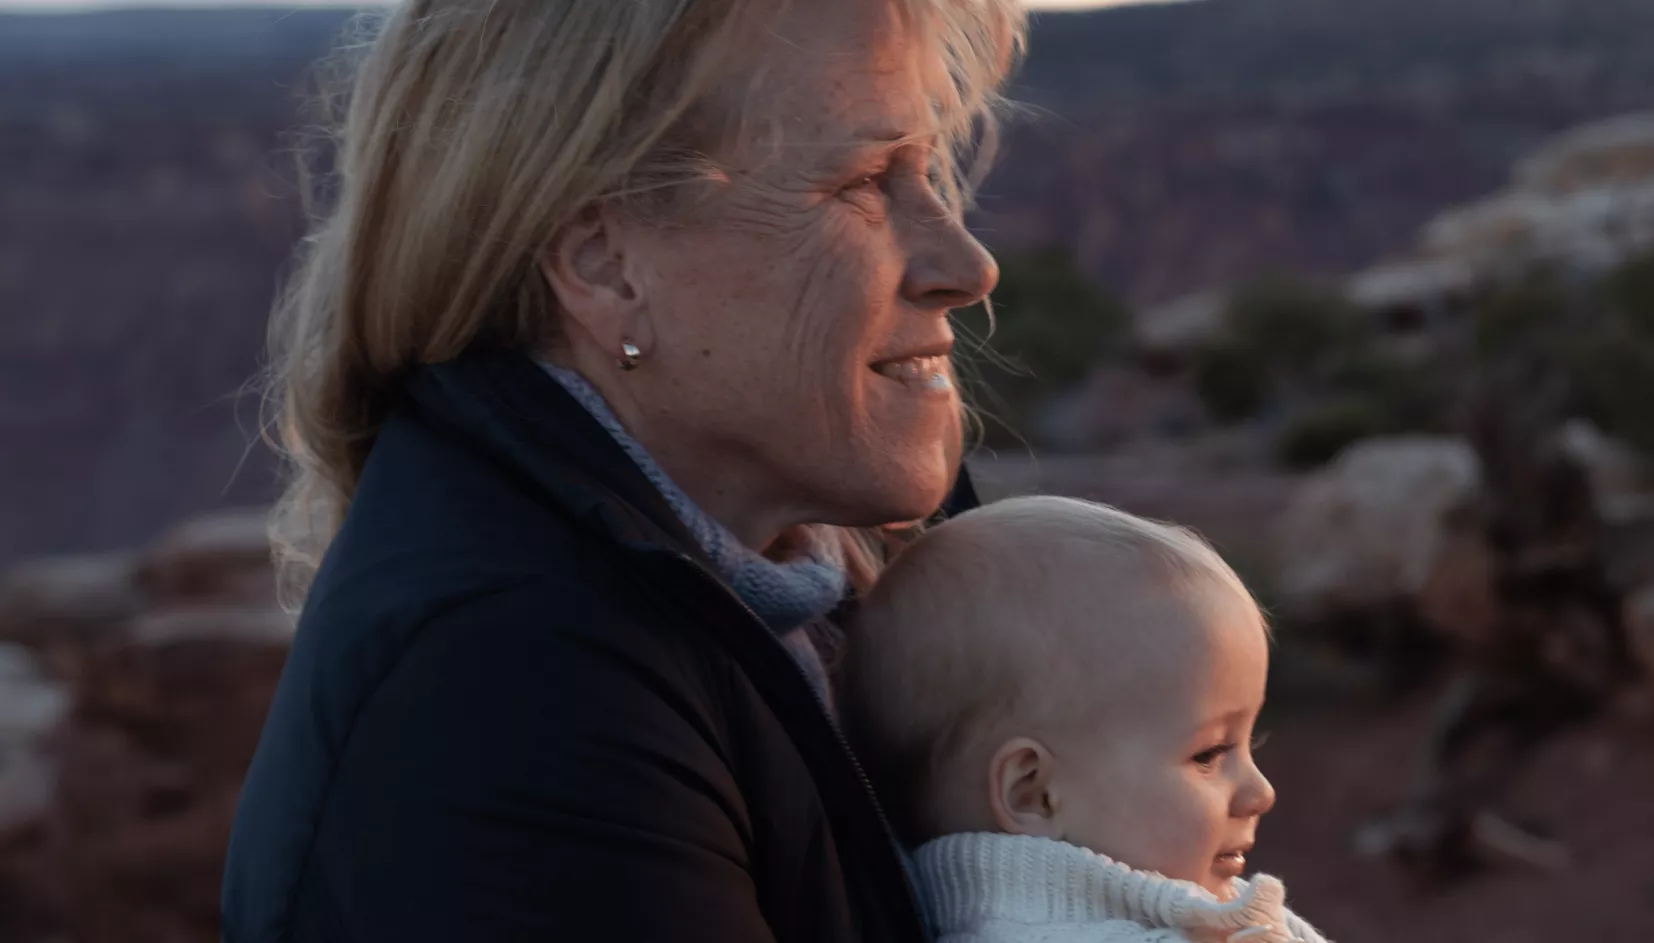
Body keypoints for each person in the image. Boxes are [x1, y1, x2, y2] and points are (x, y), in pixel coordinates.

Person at [220, 1, 1024, 940]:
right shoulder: (514, 697)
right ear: (604, 265)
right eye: (862, 182)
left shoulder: (788, 595)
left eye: (926, 171)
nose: (965, 263)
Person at [839, 496, 1332, 943]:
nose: (1261, 792)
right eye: (1208, 755)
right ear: (1034, 793)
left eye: (1249, 744)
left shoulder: (1212, 915)